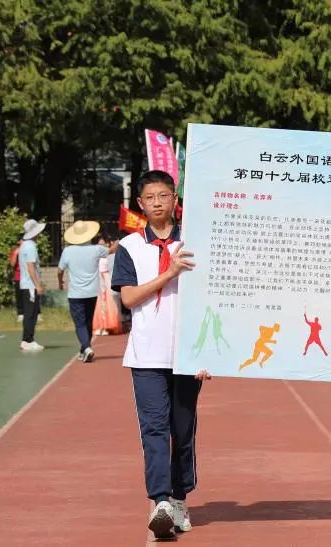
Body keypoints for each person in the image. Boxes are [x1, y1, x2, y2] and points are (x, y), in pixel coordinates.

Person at [110, 170, 211, 540]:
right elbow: (129, 298)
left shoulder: (196, 242)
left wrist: (206, 353)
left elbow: (212, 299)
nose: (157, 203)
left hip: (187, 354)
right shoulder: (129, 247)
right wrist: (168, 274)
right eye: (150, 197)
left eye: (163, 195)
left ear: (174, 199)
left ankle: (180, 498)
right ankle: (160, 502)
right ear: (140, 203)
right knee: (154, 429)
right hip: (146, 355)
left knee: (182, 430)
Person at [58, 221, 116, 362]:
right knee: (88, 321)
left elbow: (60, 270)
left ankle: (87, 347)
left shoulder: (68, 251)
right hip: (92, 293)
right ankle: (84, 349)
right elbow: (111, 250)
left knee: (80, 323)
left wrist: (60, 282)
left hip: (75, 294)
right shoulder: (96, 249)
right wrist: (120, 241)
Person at [19, 219, 46, 352]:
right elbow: (31, 268)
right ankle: (28, 340)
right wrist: (37, 285)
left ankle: (27, 339)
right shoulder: (30, 247)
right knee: (31, 313)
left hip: (27, 284)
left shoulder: (25, 245)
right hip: (30, 285)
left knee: (31, 313)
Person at [9, 238, 24, 321]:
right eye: (22, 240)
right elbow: (12, 264)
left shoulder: (29, 249)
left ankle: (36, 313)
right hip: (19, 276)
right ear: (18, 241)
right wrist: (16, 253)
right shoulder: (14, 251)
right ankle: (20, 313)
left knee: (32, 295)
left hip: (29, 276)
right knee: (19, 295)